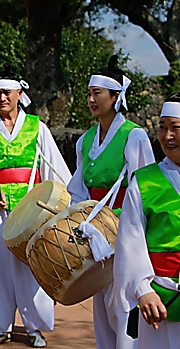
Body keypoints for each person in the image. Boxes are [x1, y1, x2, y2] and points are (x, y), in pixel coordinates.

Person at [0, 67, 71, 347]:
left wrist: (58, 203)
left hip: (32, 207)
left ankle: (34, 327)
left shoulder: (37, 127)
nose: (1, 98)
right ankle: (1, 325)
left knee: (31, 266)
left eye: (6, 92)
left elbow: (54, 168)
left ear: (19, 93)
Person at [67, 58, 154, 349]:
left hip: (123, 229)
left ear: (115, 97)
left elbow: (145, 188)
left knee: (122, 302)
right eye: (89, 93)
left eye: (98, 94)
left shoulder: (134, 135)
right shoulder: (86, 140)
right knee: (101, 303)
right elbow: (78, 188)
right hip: (96, 231)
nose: (91, 100)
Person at [114, 95, 180, 349]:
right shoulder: (145, 182)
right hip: (160, 297)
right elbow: (130, 243)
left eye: (175, 127)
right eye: (162, 127)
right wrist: (143, 290)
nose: (167, 136)